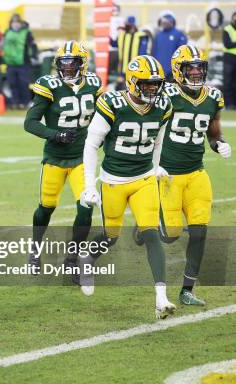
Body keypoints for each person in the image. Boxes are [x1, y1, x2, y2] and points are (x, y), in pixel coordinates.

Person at [81, 55, 175, 319]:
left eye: (156, 84)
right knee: (111, 237)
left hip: (144, 177)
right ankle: (87, 258)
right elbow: (91, 145)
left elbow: (158, 141)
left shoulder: (163, 106)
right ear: (133, 83)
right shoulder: (112, 104)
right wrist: (89, 184)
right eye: (146, 84)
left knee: (151, 233)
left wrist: (156, 167)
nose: (152, 89)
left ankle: (161, 298)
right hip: (113, 180)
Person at [155, 45, 231, 306]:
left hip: (196, 173)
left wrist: (218, 143)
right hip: (168, 175)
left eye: (200, 67)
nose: (197, 72)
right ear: (178, 70)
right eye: (191, 68)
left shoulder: (212, 97)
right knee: (170, 235)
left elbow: (213, 130)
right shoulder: (165, 94)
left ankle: (187, 290)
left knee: (199, 233)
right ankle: (149, 224)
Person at [25, 41, 103, 276]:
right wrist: (55, 134)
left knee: (86, 208)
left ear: (83, 64)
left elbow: (103, 118)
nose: (67, 69)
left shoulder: (93, 84)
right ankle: (35, 250)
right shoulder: (49, 86)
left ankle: (72, 259)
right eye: (63, 64)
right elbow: (29, 123)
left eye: (73, 64)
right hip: (55, 158)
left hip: (82, 158)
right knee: (46, 208)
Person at [3, 14, 35, 109]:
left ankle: (25, 102)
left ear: (20, 24)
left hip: (23, 62)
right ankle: (15, 103)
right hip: (10, 63)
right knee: (12, 83)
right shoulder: (7, 32)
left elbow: (32, 45)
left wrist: (32, 56)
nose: (16, 25)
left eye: (17, 23)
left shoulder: (26, 33)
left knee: (23, 83)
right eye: (14, 23)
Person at [152, 11, 187, 81]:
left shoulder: (179, 34)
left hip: (173, 72)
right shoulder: (158, 35)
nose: (166, 23)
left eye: (168, 20)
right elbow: (153, 52)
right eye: (164, 21)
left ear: (172, 21)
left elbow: (183, 53)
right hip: (158, 72)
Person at [223, 12, 236, 109]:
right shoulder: (227, 29)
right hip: (229, 58)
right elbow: (227, 44)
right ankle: (229, 104)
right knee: (228, 82)